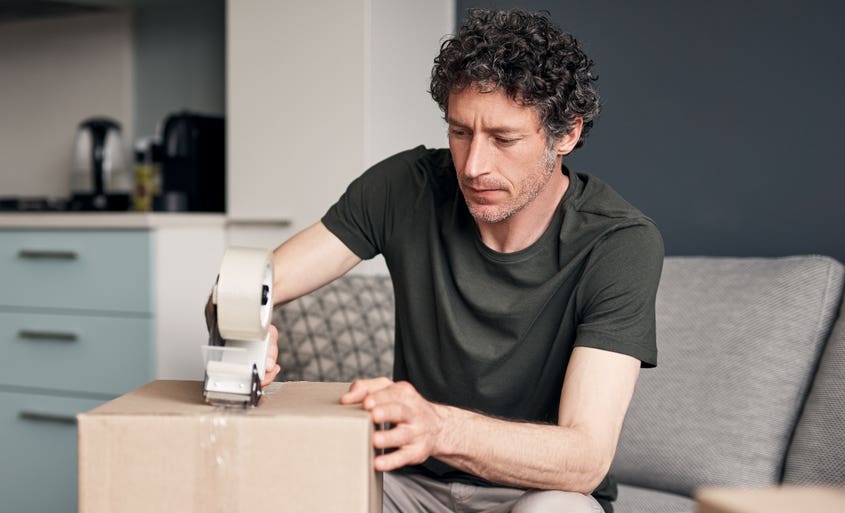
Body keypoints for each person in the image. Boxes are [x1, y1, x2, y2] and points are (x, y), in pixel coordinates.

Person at [256, 9, 663, 513]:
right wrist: (239, 325)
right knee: (288, 489)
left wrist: (439, 428)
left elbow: (584, 458)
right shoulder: (405, 187)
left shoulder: (618, 242)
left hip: (535, 491)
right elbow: (252, 282)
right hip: (405, 485)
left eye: (503, 139)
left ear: (566, 135)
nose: (473, 166)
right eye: (460, 132)